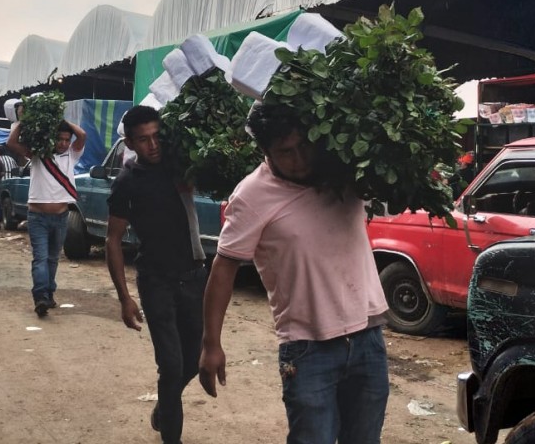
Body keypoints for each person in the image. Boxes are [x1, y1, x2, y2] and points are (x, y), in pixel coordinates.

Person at [199, 103, 390, 444]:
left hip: (368, 337)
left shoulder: (347, 171)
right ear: (264, 151)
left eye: (304, 146)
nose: (299, 159)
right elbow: (223, 268)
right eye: (285, 152)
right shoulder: (251, 196)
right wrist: (210, 343)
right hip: (308, 349)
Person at [104, 105, 207, 444]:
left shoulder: (180, 165)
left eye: (157, 136)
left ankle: (164, 407)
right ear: (130, 144)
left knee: (195, 359)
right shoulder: (126, 182)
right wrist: (124, 298)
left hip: (193, 277)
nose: (153, 145)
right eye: (143, 140)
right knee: (172, 366)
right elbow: (113, 240)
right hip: (155, 281)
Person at [6, 114, 86, 318]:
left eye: (67, 140)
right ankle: (40, 296)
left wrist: (62, 121)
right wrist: (24, 122)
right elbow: (12, 142)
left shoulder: (71, 155)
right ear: (51, 138)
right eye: (59, 138)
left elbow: (82, 135)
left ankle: (49, 294)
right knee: (40, 258)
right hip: (37, 217)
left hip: (61, 217)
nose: (64, 143)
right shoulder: (37, 154)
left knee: (52, 259)